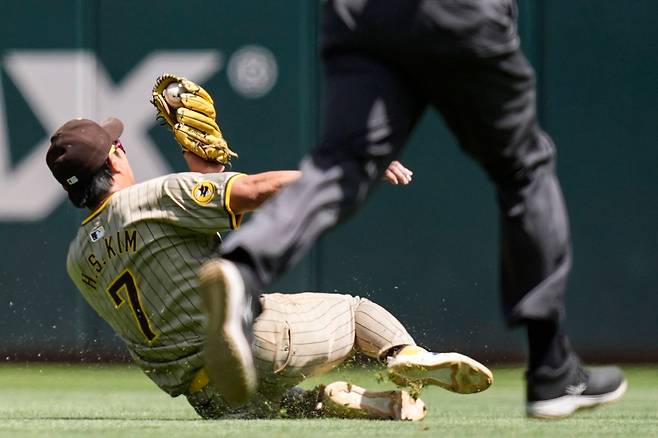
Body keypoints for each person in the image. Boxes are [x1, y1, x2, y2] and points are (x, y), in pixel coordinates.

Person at [206, 0, 626, 418]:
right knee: (524, 169)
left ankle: (243, 267)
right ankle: (551, 365)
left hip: (357, 14)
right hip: (459, 11)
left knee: (340, 167)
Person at [45, 116, 493, 420]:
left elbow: (176, 269)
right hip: (253, 341)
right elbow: (257, 190)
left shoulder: (76, 261)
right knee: (356, 314)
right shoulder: (154, 197)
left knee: (284, 408)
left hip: (206, 394)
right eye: (118, 145)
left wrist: (209, 173)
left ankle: (342, 401)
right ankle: (408, 357)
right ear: (114, 157)